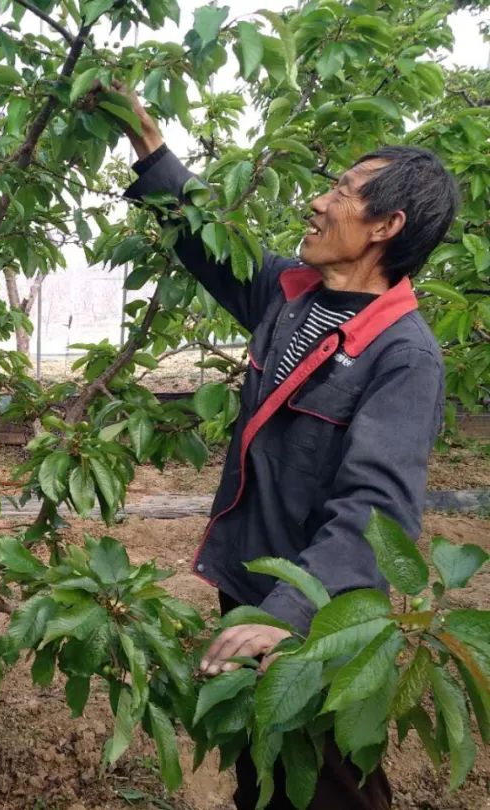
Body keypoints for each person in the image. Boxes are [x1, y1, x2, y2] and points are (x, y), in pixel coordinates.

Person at [117, 90, 458, 809]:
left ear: (386, 226)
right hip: (250, 584)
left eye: (342, 191)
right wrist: (148, 144)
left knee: (329, 783)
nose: (318, 201)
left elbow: (375, 512)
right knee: (260, 763)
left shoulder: (403, 356)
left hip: (319, 609)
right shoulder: (290, 293)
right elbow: (206, 240)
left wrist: (288, 615)